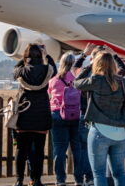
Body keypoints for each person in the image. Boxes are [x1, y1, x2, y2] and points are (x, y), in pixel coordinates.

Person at [74, 52, 125, 186]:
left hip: (99, 131)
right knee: (119, 173)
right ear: (113, 65)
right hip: (120, 133)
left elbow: (76, 83)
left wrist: (89, 66)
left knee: (99, 173)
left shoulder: (95, 80)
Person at [13, 44, 57, 186]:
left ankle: (19, 180)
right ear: (40, 55)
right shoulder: (46, 70)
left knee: (21, 149)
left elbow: (14, 71)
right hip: (41, 114)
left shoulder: (22, 71)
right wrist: (46, 55)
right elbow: (54, 69)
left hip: (24, 113)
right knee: (38, 150)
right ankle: (36, 179)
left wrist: (23, 58)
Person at [48, 52, 82, 186]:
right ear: (73, 63)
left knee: (59, 150)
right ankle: (79, 179)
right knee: (76, 149)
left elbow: (49, 95)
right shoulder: (76, 79)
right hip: (75, 115)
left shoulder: (54, 80)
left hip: (57, 115)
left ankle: (60, 180)